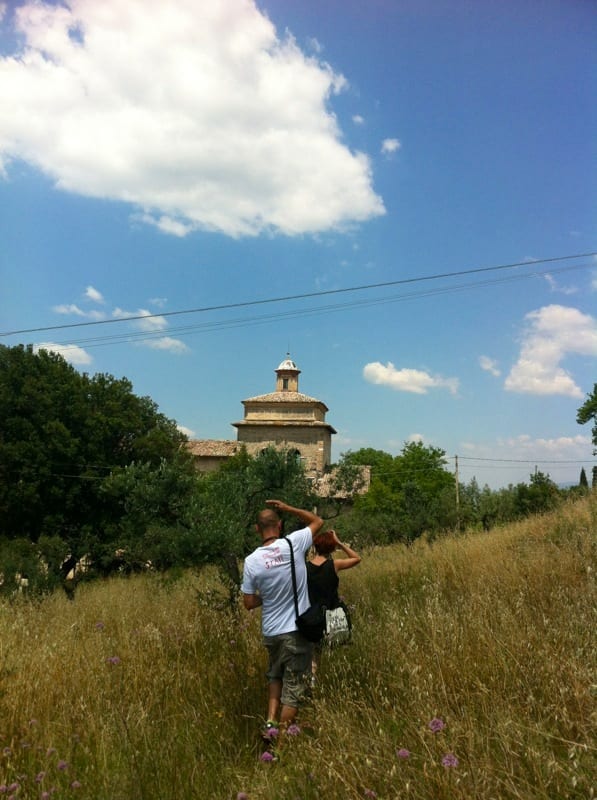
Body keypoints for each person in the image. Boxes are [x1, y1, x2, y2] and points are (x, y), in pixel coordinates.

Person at [241, 498, 324, 740]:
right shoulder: (293, 543)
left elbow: (248, 603)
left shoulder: (251, 561)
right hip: (295, 631)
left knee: (275, 675)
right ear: (279, 525)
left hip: (271, 632)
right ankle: (280, 744)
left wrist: (267, 596)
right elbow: (317, 521)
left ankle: (270, 722)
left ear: (257, 529)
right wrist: (289, 508)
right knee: (294, 690)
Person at [307, 529, 361, 679]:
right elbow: (357, 558)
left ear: (315, 547)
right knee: (340, 647)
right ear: (331, 549)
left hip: (312, 616)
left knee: (314, 656)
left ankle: (312, 684)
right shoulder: (334, 565)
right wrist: (340, 543)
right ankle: (339, 680)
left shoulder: (305, 568)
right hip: (333, 614)